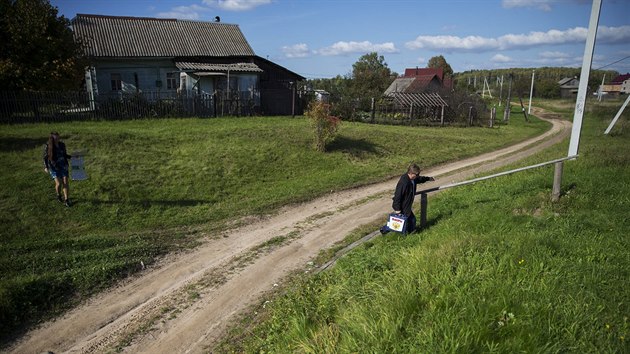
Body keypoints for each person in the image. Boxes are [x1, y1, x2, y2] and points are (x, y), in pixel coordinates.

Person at [384, 163, 435, 234]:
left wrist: (428, 178)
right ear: (411, 173)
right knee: (411, 220)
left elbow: (420, 179)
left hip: (407, 204)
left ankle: (391, 230)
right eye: (416, 174)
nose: (417, 176)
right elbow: (397, 196)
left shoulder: (413, 179)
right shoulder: (404, 182)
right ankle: (410, 233)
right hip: (403, 206)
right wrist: (397, 209)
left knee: (401, 221)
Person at [43, 132, 72, 207]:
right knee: (59, 183)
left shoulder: (62, 145)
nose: (58, 139)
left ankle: (66, 200)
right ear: (52, 138)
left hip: (63, 165)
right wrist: (46, 167)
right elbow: (46, 157)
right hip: (54, 167)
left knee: (65, 182)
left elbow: (64, 154)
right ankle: (58, 195)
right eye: (56, 138)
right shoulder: (48, 146)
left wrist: (72, 157)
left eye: (58, 137)